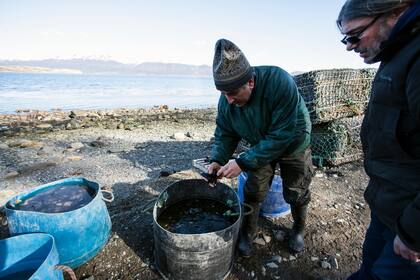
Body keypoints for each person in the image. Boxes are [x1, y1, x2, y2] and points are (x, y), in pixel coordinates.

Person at [337, 0, 420, 278]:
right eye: (345, 39)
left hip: (410, 220)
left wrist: (412, 232)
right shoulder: (396, 53)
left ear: (395, 13)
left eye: (355, 35)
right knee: (368, 269)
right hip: (388, 208)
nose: (349, 46)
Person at [207, 38, 313, 256]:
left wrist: (243, 162)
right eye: (224, 94)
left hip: (293, 140)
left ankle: (299, 229)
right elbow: (225, 133)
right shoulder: (227, 99)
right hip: (259, 143)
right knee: (254, 189)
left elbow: (281, 136)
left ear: (251, 83)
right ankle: (248, 232)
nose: (229, 100)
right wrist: (217, 159)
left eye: (233, 94)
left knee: (296, 190)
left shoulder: (279, 82)